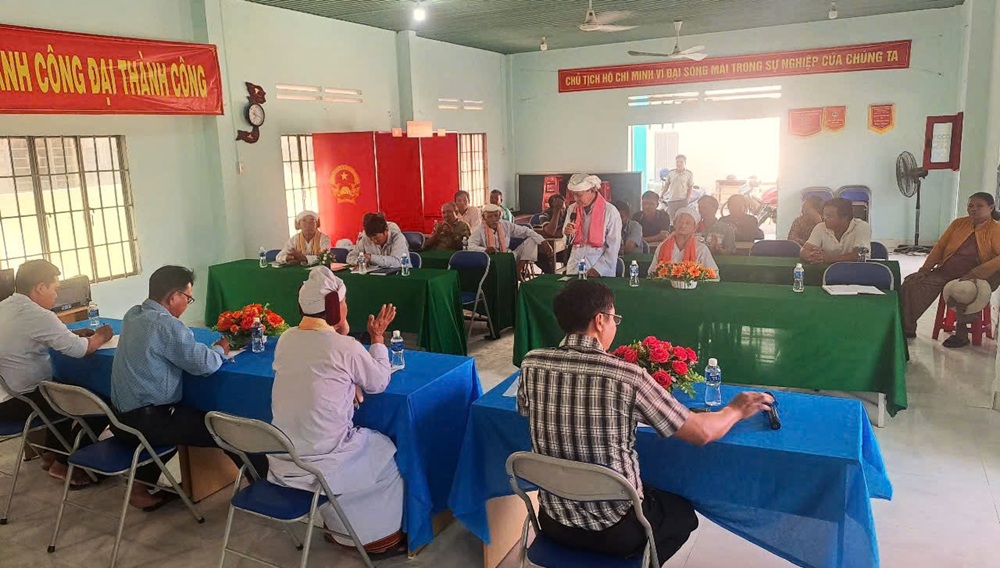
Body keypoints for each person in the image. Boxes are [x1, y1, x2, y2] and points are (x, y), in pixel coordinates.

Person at [518, 280, 773, 563]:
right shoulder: (626, 376)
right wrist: (735, 409)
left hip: (554, 522)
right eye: (614, 318)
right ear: (600, 321)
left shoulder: (531, 363)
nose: (615, 326)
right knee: (681, 513)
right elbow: (702, 432)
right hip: (616, 532)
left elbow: (528, 410)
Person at [268, 267, 406, 556]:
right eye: (343, 302)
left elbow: (320, 367)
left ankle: (338, 528)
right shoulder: (344, 347)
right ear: (334, 307)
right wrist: (377, 339)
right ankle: (375, 539)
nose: (346, 306)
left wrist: (344, 349)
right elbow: (378, 382)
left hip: (284, 456)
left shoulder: (287, 338)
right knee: (385, 453)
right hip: (324, 457)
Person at [109, 265, 268, 510]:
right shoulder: (165, 324)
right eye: (188, 297)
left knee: (184, 421)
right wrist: (221, 348)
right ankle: (264, 490)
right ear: (174, 296)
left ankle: (139, 489)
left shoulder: (133, 315)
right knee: (232, 429)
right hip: (149, 422)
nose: (187, 303)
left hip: (118, 419)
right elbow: (204, 365)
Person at [0, 260, 113, 488]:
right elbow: (81, 350)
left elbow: (34, 334)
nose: (56, 295)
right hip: (20, 401)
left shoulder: (5, 306)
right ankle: (63, 464)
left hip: (6, 397)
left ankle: (52, 455)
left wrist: (70, 333)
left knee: (59, 387)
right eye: (55, 289)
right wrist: (101, 335)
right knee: (99, 401)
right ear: (40, 288)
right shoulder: (37, 315)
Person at [901, 192, 1000, 341]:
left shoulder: (996, 229)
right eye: (970, 205)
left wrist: (976, 273)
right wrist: (925, 269)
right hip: (946, 272)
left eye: (979, 206)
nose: (973, 209)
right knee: (912, 282)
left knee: (964, 290)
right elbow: (940, 247)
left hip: (978, 277)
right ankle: (906, 327)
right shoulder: (958, 224)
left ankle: (961, 334)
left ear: (991, 208)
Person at [563, 174, 622, 277]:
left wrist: (598, 269)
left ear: (592, 190)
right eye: (573, 195)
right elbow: (567, 241)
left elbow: (613, 247)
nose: (575, 199)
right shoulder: (572, 209)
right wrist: (567, 234)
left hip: (599, 270)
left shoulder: (610, 211)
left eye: (579, 195)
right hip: (575, 267)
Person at [469, 204, 549, 274]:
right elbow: (471, 246)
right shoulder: (478, 230)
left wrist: (543, 241)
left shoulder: (505, 224)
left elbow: (525, 231)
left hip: (509, 256)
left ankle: (518, 270)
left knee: (532, 240)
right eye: (489, 216)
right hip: (490, 260)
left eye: (496, 215)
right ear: (484, 217)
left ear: (500, 216)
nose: (493, 219)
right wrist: (485, 250)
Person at [649, 206, 720, 279]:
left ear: (695, 227)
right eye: (680, 222)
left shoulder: (701, 249)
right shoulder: (662, 246)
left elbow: (714, 275)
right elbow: (651, 273)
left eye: (687, 223)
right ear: (674, 223)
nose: (683, 226)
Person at [800, 197, 872, 265]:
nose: (824, 218)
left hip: (854, 271)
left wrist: (829, 259)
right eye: (824, 214)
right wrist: (813, 256)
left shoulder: (862, 226)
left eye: (829, 216)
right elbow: (804, 251)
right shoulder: (820, 227)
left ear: (844, 217)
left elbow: (858, 255)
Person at [659, 155, 694, 224]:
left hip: (683, 201)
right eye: (677, 162)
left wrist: (687, 199)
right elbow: (666, 186)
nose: (679, 163)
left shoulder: (689, 174)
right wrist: (661, 195)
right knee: (672, 221)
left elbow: (690, 187)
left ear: (685, 163)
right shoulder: (671, 173)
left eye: (681, 162)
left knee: (682, 220)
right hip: (672, 201)